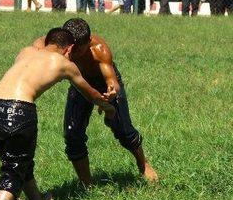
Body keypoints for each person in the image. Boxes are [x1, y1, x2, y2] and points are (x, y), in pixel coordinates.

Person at [0, 28, 114, 200]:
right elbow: (91, 94)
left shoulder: (25, 51)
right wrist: (108, 107)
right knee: (14, 170)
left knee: (19, 162)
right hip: (19, 110)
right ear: (69, 48)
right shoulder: (63, 63)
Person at [32, 19, 158, 187]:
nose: (72, 53)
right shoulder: (60, 43)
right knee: (72, 134)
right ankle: (87, 184)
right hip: (80, 84)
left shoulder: (99, 50)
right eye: (71, 47)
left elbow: (112, 80)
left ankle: (143, 164)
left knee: (124, 130)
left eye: (78, 49)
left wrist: (111, 92)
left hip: (103, 84)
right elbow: (39, 44)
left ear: (88, 41)